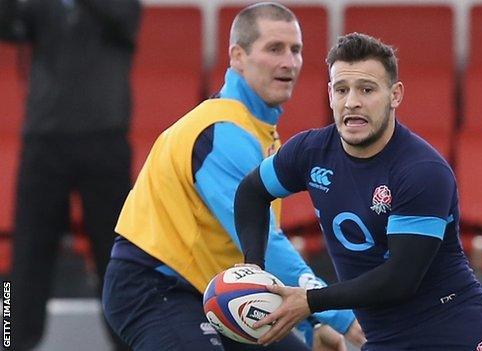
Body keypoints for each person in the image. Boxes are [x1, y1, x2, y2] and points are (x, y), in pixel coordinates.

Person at [234, 32, 482, 351]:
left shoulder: (421, 170)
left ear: (395, 95)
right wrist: (255, 269)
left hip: (453, 325)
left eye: (367, 89)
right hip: (384, 339)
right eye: (342, 89)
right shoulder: (309, 152)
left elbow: (400, 279)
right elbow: (252, 192)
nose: (352, 102)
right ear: (330, 95)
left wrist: (309, 301)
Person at [101, 3, 364, 351]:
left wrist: (309, 323)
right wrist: (341, 316)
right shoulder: (222, 133)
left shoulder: (255, 130)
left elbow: (253, 249)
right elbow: (264, 242)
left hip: (220, 291)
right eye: (274, 49)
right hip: (156, 287)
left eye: (296, 49)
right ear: (238, 56)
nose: (289, 61)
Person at [0, 0, 140, 350]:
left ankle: (132, 341)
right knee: (27, 255)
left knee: (118, 255)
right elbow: (8, 26)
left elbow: (124, 20)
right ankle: (11, 340)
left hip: (104, 139)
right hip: (44, 139)